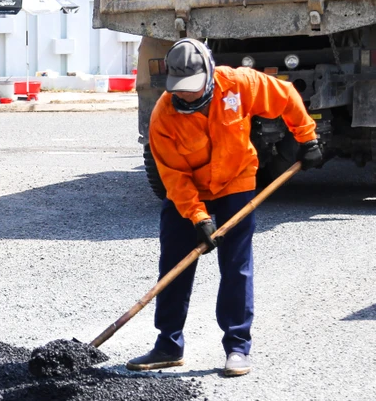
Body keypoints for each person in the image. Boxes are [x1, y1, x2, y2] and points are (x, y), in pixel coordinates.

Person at [128, 39, 324, 376]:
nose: (186, 95)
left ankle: (237, 346)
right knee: (174, 261)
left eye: (192, 87)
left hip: (235, 182)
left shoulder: (239, 83)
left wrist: (306, 138)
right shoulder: (164, 115)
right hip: (189, 192)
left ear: (209, 72)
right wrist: (198, 217)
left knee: (236, 266)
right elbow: (174, 177)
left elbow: (286, 97)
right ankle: (168, 345)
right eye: (180, 89)